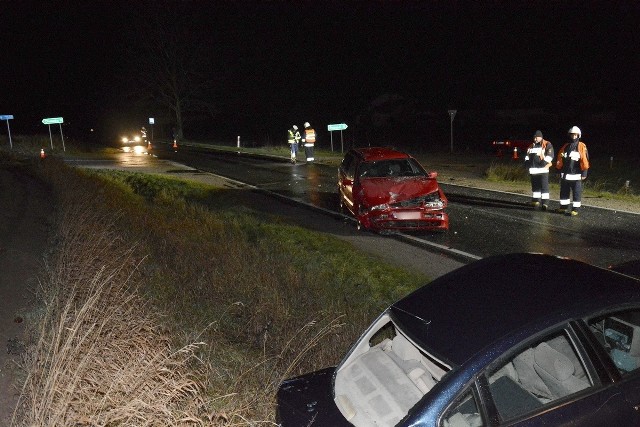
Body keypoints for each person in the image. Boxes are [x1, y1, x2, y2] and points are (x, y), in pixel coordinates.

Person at [555, 126, 589, 216]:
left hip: (576, 174)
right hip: (565, 174)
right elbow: (560, 159)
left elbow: (585, 160)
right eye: (572, 134)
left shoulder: (582, 146)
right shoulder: (566, 146)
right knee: (564, 191)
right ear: (569, 135)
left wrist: (584, 172)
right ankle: (563, 207)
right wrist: (558, 171)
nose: (573, 136)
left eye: (575, 135)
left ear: (578, 135)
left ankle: (575, 209)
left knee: (576, 192)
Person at [524, 130, 554, 210]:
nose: (535, 139)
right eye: (534, 137)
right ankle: (535, 201)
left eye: (537, 137)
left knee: (544, 187)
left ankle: (545, 203)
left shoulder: (547, 144)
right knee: (535, 186)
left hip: (543, 170)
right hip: (533, 170)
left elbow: (550, 155)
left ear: (541, 137)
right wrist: (527, 163)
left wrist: (543, 162)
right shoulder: (531, 146)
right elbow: (527, 156)